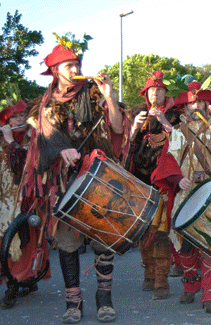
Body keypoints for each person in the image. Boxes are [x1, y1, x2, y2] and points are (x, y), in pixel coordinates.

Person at [22, 35, 129, 323]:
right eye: (69, 65)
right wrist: (61, 148)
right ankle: (73, 303)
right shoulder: (42, 104)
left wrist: (108, 96)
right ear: (56, 71)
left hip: (97, 177)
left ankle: (104, 300)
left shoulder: (93, 93)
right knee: (68, 243)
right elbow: (42, 135)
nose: (76, 68)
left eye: (77, 64)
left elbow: (118, 128)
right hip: (62, 182)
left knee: (102, 241)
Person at [157, 81, 211, 313]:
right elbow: (167, 162)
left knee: (210, 243)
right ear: (185, 108)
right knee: (184, 247)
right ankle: (191, 281)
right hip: (185, 194)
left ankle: (209, 293)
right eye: (192, 103)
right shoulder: (177, 133)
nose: (196, 106)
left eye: (201, 102)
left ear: (208, 105)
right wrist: (176, 179)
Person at [126, 71, 181, 300]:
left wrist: (165, 122)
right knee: (143, 231)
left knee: (161, 233)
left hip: (164, 182)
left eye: (159, 90)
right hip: (139, 181)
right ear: (146, 94)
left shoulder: (175, 114)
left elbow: (181, 142)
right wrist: (134, 129)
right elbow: (123, 148)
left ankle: (161, 280)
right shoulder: (136, 113)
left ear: (164, 93)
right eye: (151, 90)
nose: (155, 94)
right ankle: (148, 273)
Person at [0, 96, 50, 309]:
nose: (19, 119)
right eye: (15, 117)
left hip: (26, 201)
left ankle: (16, 283)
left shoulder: (31, 140)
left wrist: (11, 141)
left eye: (22, 115)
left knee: (23, 244)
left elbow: (24, 166)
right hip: (4, 202)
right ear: (6, 122)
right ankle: (23, 280)